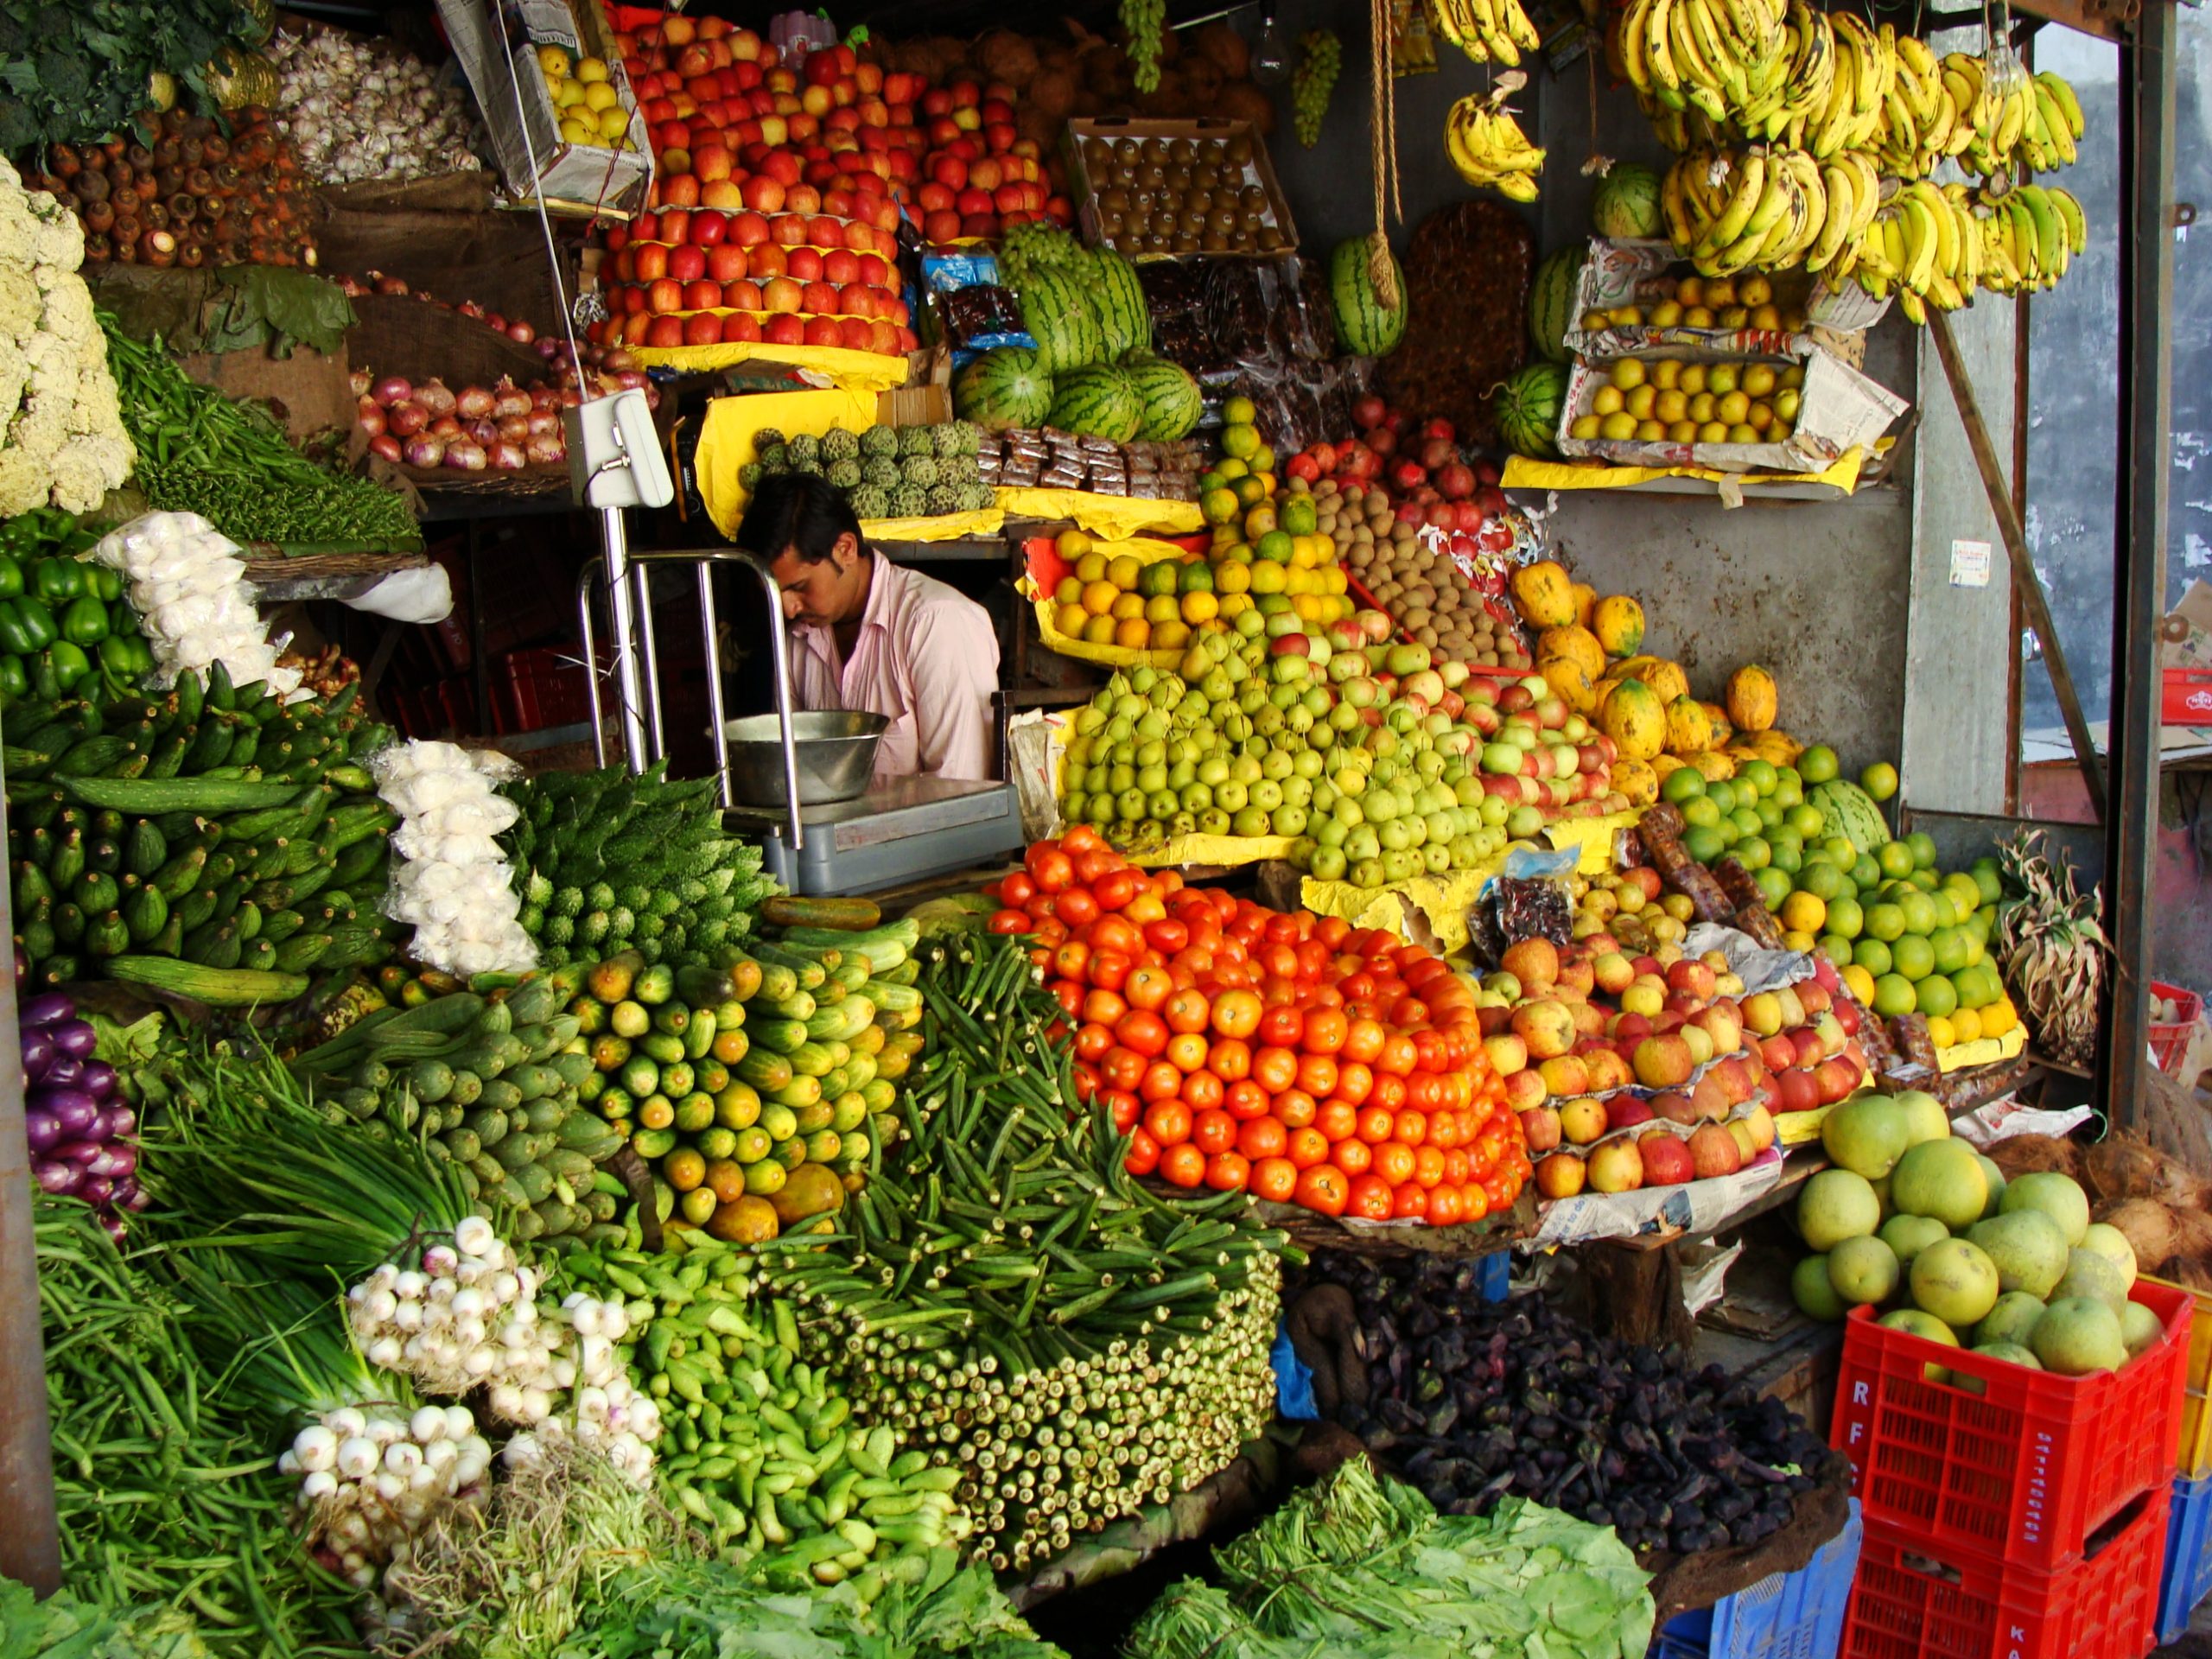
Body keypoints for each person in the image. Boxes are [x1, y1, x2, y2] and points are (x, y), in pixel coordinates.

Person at [737, 471, 1001, 785]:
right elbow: (794, 778)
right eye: (774, 593)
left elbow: (964, 795)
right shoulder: (796, 641)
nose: (788, 608)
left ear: (845, 549)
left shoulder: (936, 624)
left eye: (799, 586)